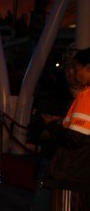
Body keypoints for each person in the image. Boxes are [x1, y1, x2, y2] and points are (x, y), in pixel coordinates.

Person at [42, 47, 90, 210]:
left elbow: (74, 138)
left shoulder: (86, 96)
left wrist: (51, 126)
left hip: (73, 174)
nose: (75, 75)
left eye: (77, 69)